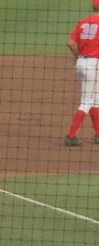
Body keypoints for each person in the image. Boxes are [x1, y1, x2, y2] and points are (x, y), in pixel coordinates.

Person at [65, 0, 99, 146]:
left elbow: (70, 43)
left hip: (81, 63)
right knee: (87, 101)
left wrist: (78, 56)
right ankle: (70, 136)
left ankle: (98, 134)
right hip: (95, 65)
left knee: (95, 98)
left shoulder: (83, 21)